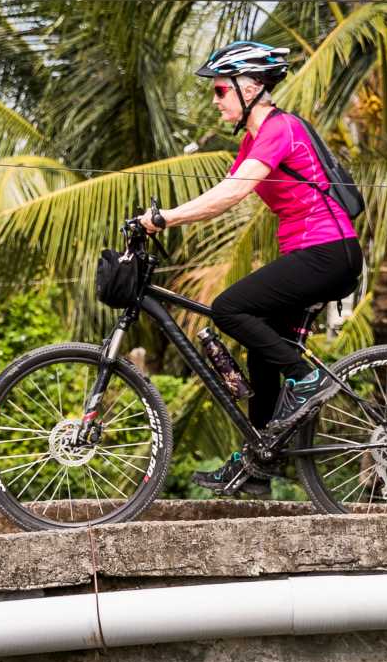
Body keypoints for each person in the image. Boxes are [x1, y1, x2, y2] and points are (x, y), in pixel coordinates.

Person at [138, 40, 363, 498]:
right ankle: (258, 462)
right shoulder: (254, 140)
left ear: (252, 87)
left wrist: (166, 218)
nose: (215, 100)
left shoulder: (281, 128)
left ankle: (306, 379)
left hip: (328, 251)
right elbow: (220, 193)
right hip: (312, 253)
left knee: (228, 309)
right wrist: (162, 221)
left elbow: (234, 193)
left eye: (220, 89)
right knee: (263, 350)